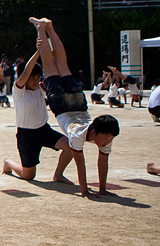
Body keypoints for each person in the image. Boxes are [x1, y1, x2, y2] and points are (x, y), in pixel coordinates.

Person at [30, 18, 119, 198]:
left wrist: (102, 188)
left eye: (109, 138)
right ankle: (41, 28)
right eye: (106, 138)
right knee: (51, 63)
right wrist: (84, 191)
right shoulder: (78, 134)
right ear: (93, 132)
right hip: (64, 106)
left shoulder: (103, 132)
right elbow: (80, 164)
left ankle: (50, 28)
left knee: (61, 64)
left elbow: (103, 162)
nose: (107, 141)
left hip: (78, 103)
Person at [2, 46, 72, 184]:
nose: (35, 80)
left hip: (44, 130)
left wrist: (50, 57)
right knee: (28, 175)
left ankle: (58, 175)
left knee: (70, 146)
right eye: (32, 78)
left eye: (37, 77)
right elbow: (27, 71)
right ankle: (7, 162)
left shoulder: (40, 88)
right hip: (27, 135)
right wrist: (39, 52)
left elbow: (54, 72)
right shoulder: (19, 90)